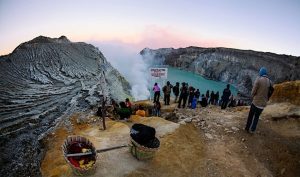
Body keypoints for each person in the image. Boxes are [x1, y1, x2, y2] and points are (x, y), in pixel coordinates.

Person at [245, 67, 273, 133]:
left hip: (256, 102)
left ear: (261, 72)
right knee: (256, 117)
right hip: (263, 104)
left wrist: (253, 96)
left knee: (251, 116)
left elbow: (253, 92)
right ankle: (252, 130)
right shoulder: (270, 82)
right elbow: (270, 92)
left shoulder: (259, 80)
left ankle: (247, 128)